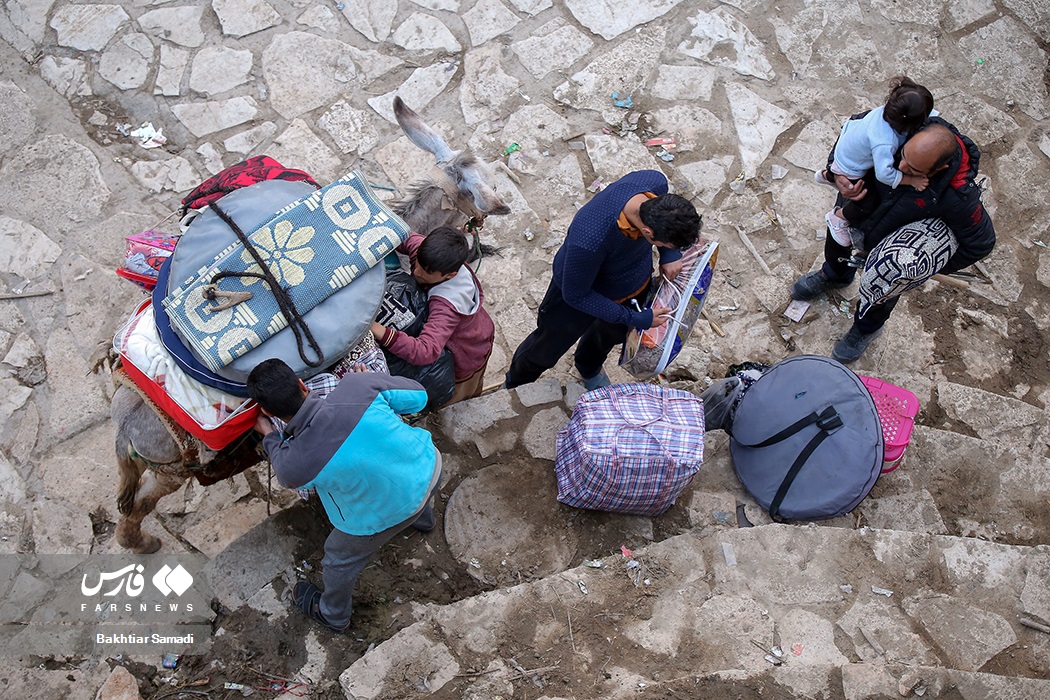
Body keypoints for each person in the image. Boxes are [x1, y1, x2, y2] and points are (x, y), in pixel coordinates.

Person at [248, 358, 441, 633]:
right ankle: (424, 520)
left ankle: (333, 614)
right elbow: (419, 397)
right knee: (406, 482)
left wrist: (268, 435)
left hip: (386, 514)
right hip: (430, 468)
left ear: (269, 412)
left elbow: (283, 472)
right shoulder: (357, 385)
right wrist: (371, 381)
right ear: (302, 384)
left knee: (337, 557)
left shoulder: (296, 461)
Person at [792, 117, 995, 363]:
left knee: (884, 287)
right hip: (852, 212)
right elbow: (852, 133)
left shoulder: (958, 196)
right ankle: (835, 275)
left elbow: (981, 242)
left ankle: (866, 328)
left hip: (887, 247)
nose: (900, 166)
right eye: (903, 155)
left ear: (938, 170)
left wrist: (926, 266)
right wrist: (838, 175)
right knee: (835, 246)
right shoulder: (892, 128)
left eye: (914, 169)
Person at [505, 170, 701, 389]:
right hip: (577, 293)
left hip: (632, 285)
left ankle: (588, 367)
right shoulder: (589, 239)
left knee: (606, 338)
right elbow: (576, 295)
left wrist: (670, 254)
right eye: (664, 245)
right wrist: (635, 318)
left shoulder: (654, 182)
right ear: (648, 232)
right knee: (547, 347)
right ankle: (516, 383)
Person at [371, 226, 495, 407]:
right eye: (418, 262)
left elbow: (425, 351)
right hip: (471, 328)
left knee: (454, 398)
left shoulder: (446, 305)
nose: (417, 272)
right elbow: (395, 233)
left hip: (469, 348)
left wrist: (376, 328)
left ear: (450, 275)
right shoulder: (425, 253)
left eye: (427, 272)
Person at [814, 76, 936, 250]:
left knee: (844, 167)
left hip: (846, 149)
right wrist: (911, 179)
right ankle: (838, 218)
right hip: (851, 168)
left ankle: (828, 175)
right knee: (867, 202)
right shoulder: (885, 141)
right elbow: (884, 173)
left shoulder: (887, 110)